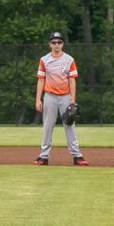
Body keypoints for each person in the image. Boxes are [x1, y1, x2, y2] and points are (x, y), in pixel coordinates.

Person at [34, 31, 87, 166]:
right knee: (47, 126)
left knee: (70, 125)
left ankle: (77, 156)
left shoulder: (69, 60)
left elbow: (72, 81)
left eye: (59, 42)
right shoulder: (44, 60)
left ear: (63, 44)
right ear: (49, 44)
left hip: (65, 97)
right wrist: (38, 99)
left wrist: (72, 100)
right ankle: (43, 156)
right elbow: (41, 80)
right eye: (54, 42)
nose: (56, 45)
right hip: (50, 96)